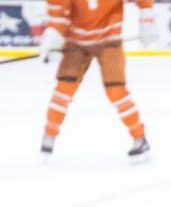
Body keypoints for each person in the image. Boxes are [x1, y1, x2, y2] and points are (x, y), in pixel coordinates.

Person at [38, 0, 156, 162]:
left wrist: (147, 20)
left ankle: (139, 137)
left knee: (117, 91)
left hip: (109, 40)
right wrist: (53, 41)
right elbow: (59, 16)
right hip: (76, 43)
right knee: (63, 90)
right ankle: (49, 134)